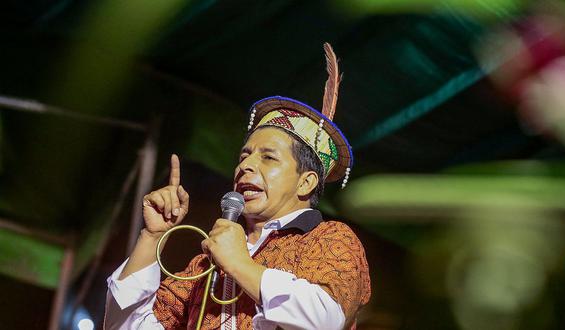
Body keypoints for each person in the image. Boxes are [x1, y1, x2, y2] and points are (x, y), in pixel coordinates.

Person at [104, 43, 371, 329]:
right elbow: (124, 326)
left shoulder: (330, 239)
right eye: (244, 155)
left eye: (268, 157)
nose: (245, 165)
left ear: (306, 182)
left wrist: (239, 265)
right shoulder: (205, 265)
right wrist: (151, 237)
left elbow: (325, 320)